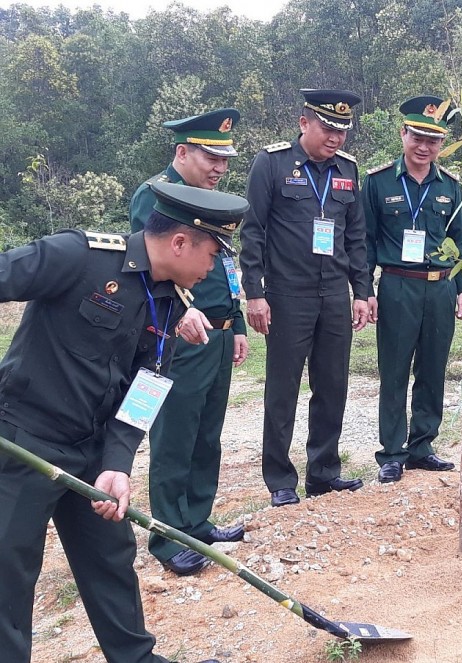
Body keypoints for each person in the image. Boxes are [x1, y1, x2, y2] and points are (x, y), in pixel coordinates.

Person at [0, 181, 246, 663]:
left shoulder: (172, 300)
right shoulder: (80, 256)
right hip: (25, 441)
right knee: (8, 573)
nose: (215, 266)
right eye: (214, 254)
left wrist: (117, 462)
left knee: (111, 559)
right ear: (180, 242)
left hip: (93, 454)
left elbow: (145, 389)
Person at [129, 109, 248, 576]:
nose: (219, 168)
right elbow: (150, 263)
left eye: (224, 160)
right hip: (180, 335)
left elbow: (225, 268)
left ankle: (197, 521)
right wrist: (181, 311)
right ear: (182, 152)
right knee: (175, 436)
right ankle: (168, 537)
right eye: (210, 158)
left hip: (216, 334)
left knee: (207, 436)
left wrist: (236, 321)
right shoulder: (156, 194)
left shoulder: (212, 201)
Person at [240, 89, 373, 507]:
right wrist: (255, 294)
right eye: (327, 128)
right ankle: (280, 480)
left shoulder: (348, 170)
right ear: (304, 123)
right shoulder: (272, 163)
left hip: (334, 293)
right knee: (283, 390)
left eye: (342, 131)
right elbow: (253, 231)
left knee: (332, 385)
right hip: (286, 295)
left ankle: (324, 472)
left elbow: (356, 237)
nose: (335, 138)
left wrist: (362, 292)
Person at [362, 95, 462, 484]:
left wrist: (461, 288)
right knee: (394, 370)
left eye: (433, 141)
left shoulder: (452, 186)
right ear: (403, 134)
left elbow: (459, 241)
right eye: (417, 138)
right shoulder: (376, 182)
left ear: (442, 143)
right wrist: (365, 290)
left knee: (433, 369)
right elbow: (365, 241)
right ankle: (392, 453)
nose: (424, 148)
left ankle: (422, 446)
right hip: (397, 286)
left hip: (439, 289)